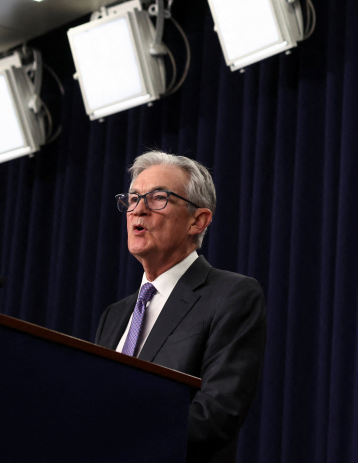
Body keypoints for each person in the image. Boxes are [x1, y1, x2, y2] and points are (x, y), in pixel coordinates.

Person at [94, 151, 267, 463]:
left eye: (158, 198)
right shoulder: (115, 315)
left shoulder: (231, 295)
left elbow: (216, 415)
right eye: (133, 198)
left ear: (197, 221)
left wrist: (119, 437)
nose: (138, 210)